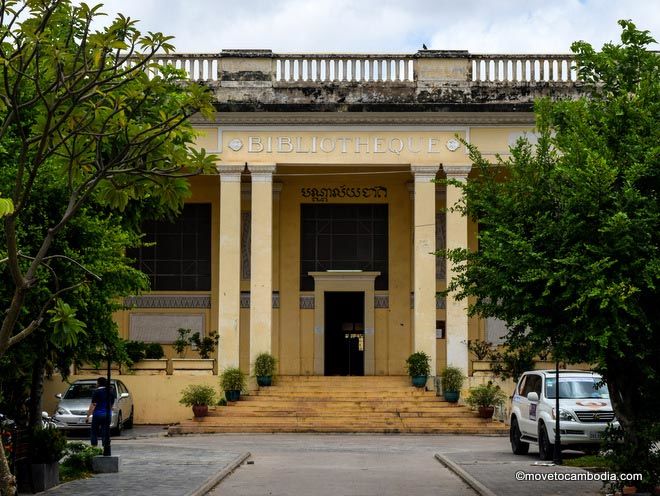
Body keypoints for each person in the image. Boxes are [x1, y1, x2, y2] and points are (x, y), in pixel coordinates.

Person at [85, 377, 116, 447]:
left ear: (99, 383)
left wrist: (87, 416)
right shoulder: (110, 392)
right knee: (105, 432)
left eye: (97, 382)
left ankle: (94, 447)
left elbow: (93, 405)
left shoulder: (96, 392)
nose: (96, 384)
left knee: (94, 432)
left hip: (97, 415)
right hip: (107, 415)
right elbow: (111, 405)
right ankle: (105, 447)